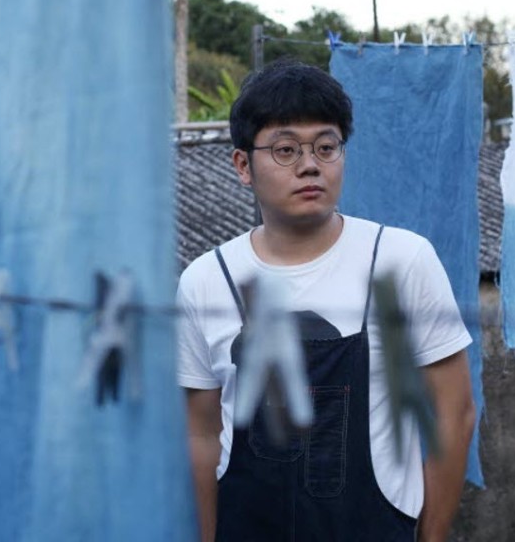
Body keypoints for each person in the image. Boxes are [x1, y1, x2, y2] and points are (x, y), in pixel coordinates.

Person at [176, 59, 476, 541]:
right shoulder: (208, 280)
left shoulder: (400, 261)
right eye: (286, 149)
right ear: (242, 166)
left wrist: (431, 538)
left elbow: (453, 412)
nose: (310, 164)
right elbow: (200, 433)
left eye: (326, 146)